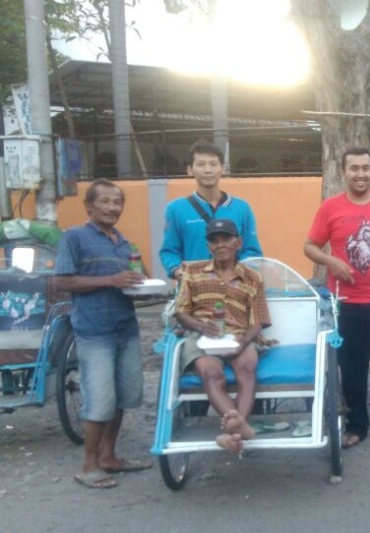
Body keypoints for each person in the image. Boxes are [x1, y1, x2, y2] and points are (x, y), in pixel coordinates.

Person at [54, 180, 151, 489]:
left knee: (122, 396)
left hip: (126, 328)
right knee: (99, 400)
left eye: (117, 203)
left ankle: (109, 456)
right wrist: (111, 279)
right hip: (94, 331)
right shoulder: (75, 237)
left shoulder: (124, 244)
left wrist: (145, 285)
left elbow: (137, 281)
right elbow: (62, 282)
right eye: (105, 202)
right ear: (89, 206)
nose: (112, 208)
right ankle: (88, 466)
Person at [304, 147, 370, 447]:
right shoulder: (330, 208)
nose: (361, 174)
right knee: (353, 370)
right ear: (344, 172)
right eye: (354, 168)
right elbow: (309, 246)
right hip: (346, 305)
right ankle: (357, 426)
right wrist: (331, 261)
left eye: (366, 168)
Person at [173, 219, 272, 454]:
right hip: (201, 338)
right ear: (208, 246)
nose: (220, 245)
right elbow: (180, 312)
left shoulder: (252, 277)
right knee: (211, 373)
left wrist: (244, 342)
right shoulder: (192, 272)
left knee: (247, 369)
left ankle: (232, 432)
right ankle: (240, 429)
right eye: (214, 241)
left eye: (226, 239)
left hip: (238, 335)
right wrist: (199, 326)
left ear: (238, 243)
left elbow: (259, 320)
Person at [160, 140, 262, 280]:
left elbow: (252, 251)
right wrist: (177, 271)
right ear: (190, 170)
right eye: (201, 164)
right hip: (193, 293)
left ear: (223, 168)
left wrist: (236, 273)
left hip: (234, 291)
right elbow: (169, 251)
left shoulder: (242, 208)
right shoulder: (175, 209)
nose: (208, 170)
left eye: (213, 164)